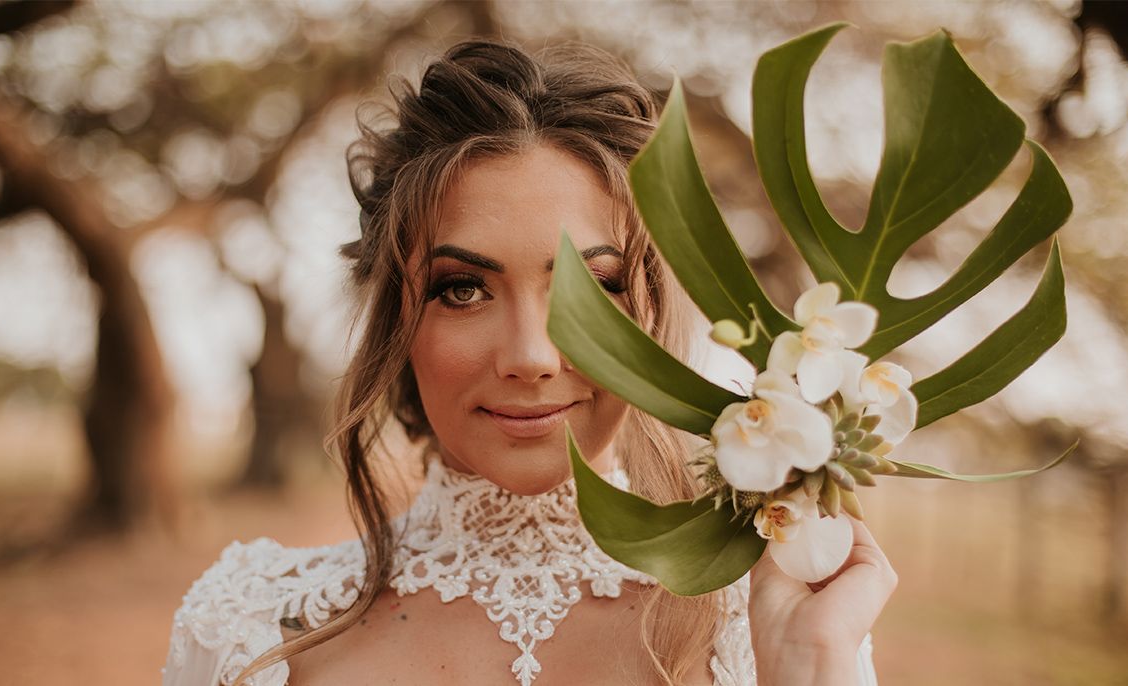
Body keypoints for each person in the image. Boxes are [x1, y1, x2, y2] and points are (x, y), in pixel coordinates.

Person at [161, 38, 896, 686]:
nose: (531, 356)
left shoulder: (773, 628)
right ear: (396, 322)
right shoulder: (248, 625)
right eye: (463, 288)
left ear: (656, 313)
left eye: (594, 286)